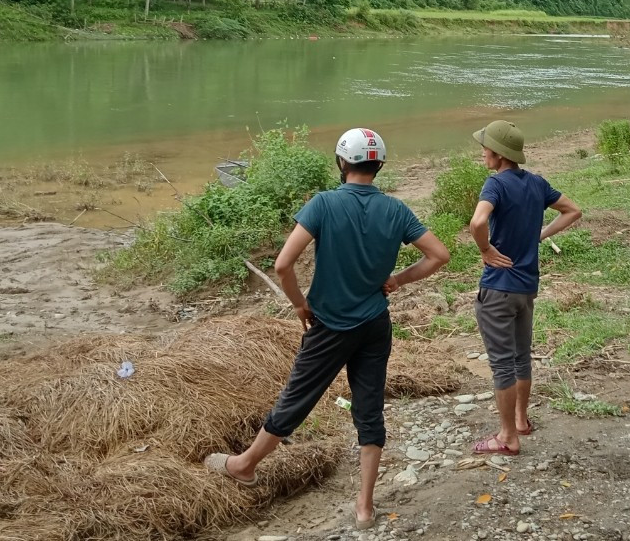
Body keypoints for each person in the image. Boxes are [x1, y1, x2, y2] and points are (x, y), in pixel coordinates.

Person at [203, 128, 450, 530]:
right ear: (379, 166)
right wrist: (398, 280)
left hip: (329, 325)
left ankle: (244, 464)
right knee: (368, 409)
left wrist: (299, 304)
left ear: (341, 163)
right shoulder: (397, 210)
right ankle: (365, 507)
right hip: (374, 323)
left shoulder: (323, 204)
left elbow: (283, 265)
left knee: (298, 397)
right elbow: (439, 255)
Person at [467, 120, 582, 455]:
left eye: (485, 147)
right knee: (520, 358)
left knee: (502, 364)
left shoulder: (495, 185)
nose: (482, 153)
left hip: (498, 289)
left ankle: (507, 438)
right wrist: (539, 235)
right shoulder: (536, 183)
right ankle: (520, 421)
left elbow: (477, 222)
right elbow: (573, 211)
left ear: (499, 154)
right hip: (526, 288)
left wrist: (485, 250)